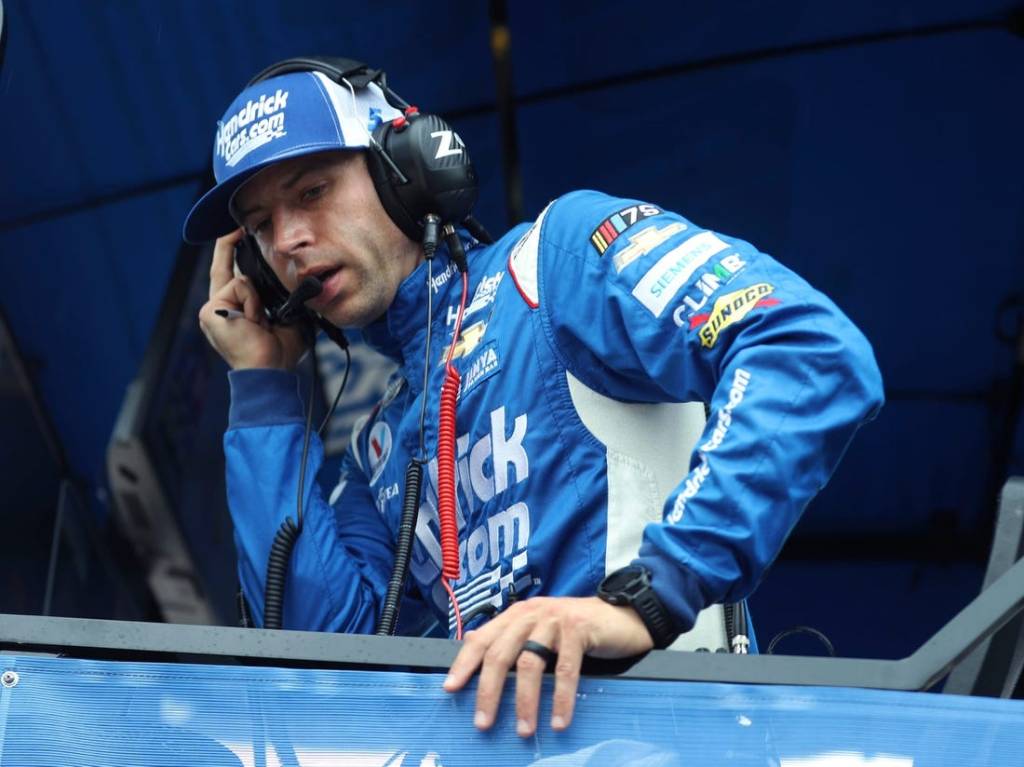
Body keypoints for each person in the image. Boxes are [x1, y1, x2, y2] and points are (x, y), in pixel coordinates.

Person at [185, 58, 884, 738]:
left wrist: (647, 598)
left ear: (407, 167)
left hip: (670, 737)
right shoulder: (380, 444)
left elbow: (806, 352)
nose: (291, 240)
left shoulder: (556, 261)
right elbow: (324, 662)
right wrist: (265, 388)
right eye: (260, 226)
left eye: (311, 192)